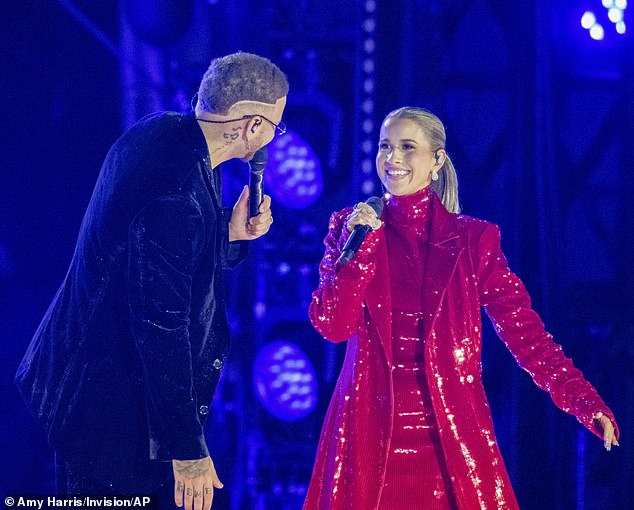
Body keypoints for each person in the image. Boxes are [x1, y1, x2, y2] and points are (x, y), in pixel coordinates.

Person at [304, 106, 619, 510]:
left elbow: (527, 335)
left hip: (447, 442)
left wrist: (582, 399)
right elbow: (332, 324)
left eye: (407, 147)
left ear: (436, 160)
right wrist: (361, 251)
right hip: (365, 436)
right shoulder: (350, 228)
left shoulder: (474, 242)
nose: (393, 158)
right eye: (386, 146)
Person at [15, 51, 288, 510]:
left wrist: (228, 231)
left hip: (102, 390)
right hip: (108, 413)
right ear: (252, 126)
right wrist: (187, 450)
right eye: (274, 128)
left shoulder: (163, 132)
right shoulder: (177, 191)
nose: (270, 142)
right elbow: (161, 328)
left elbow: (146, 256)